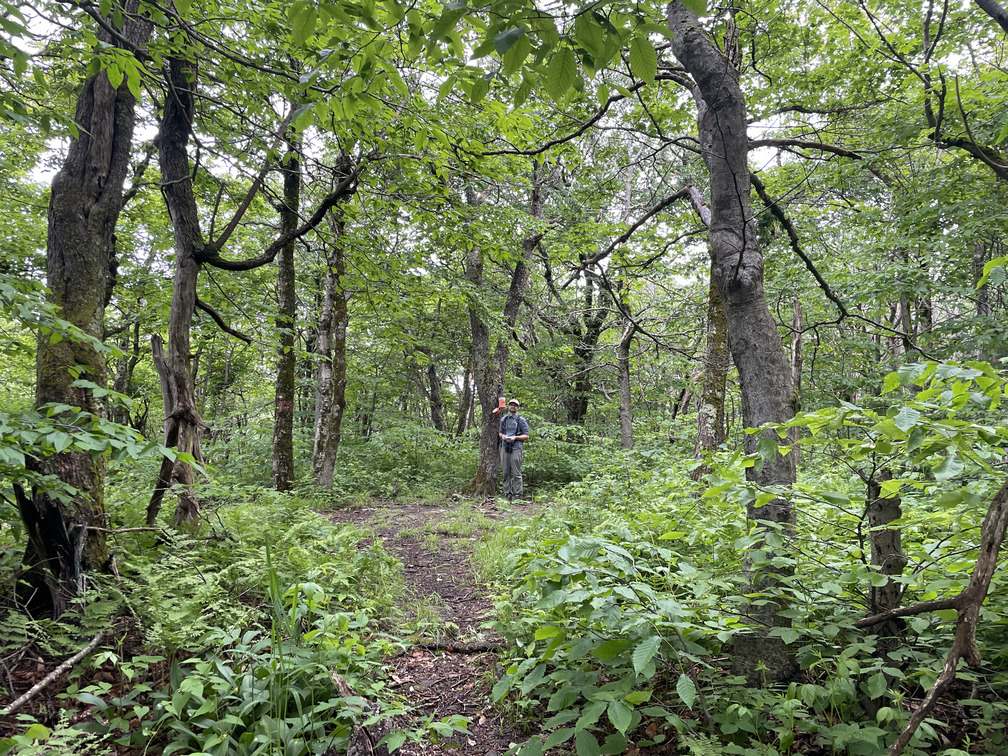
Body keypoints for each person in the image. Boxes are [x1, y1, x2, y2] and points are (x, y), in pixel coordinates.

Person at [498, 398, 529, 502]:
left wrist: (515, 437)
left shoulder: (521, 420)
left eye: (515, 405)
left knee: (516, 473)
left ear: (517, 408)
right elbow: (500, 432)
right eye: (511, 405)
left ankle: (518, 496)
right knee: (506, 473)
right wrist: (503, 437)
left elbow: (526, 436)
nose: (513, 406)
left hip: (516, 448)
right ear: (508, 406)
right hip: (505, 448)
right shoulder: (504, 419)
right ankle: (507, 495)